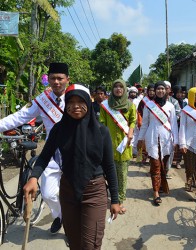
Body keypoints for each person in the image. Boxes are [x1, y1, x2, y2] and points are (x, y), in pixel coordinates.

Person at [23, 84, 120, 250]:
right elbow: (44, 156)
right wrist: (33, 178)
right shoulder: (58, 130)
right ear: (65, 105)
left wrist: (116, 200)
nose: (75, 106)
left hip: (94, 191)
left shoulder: (101, 131)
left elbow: (109, 166)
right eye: (71, 102)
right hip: (68, 190)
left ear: (88, 104)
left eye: (80, 101)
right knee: (74, 243)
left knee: (90, 245)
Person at [0, 62, 70, 234]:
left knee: (75, 195)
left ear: (67, 79)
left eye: (60, 78)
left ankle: (71, 226)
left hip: (74, 153)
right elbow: (20, 117)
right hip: (52, 154)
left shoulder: (76, 96)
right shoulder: (43, 100)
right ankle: (60, 216)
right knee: (48, 194)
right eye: (53, 78)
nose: (56, 82)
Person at [137, 81, 179, 206]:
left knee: (164, 166)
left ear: (166, 91)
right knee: (155, 165)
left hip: (166, 139)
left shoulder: (170, 106)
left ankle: (160, 186)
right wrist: (140, 139)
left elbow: (174, 125)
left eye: (162, 89)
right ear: (154, 91)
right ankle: (156, 192)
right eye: (158, 89)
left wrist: (175, 141)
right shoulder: (148, 105)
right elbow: (144, 124)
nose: (160, 91)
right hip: (152, 137)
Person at [99, 79, 136, 214]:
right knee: (108, 174)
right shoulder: (105, 106)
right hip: (109, 145)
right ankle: (109, 198)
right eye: (116, 86)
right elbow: (101, 123)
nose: (118, 89)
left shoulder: (130, 105)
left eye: (121, 86)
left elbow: (133, 120)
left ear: (125, 89)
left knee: (122, 175)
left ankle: (119, 201)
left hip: (124, 144)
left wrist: (130, 133)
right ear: (112, 89)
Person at [137, 83, 155, 163]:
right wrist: (141, 122)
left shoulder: (157, 101)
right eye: (150, 90)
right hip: (144, 123)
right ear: (147, 91)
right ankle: (142, 157)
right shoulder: (144, 101)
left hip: (153, 123)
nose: (151, 92)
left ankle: (152, 157)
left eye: (153, 90)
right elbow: (139, 112)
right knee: (142, 140)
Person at [171, 85, 188, 169]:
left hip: (182, 125)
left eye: (180, 93)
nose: (179, 95)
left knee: (181, 142)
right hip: (174, 124)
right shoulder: (171, 101)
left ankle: (178, 161)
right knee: (174, 142)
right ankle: (172, 160)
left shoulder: (184, 102)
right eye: (177, 93)